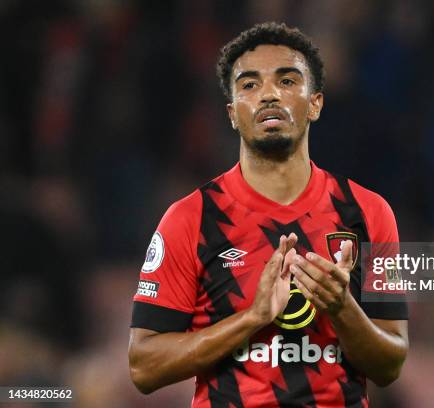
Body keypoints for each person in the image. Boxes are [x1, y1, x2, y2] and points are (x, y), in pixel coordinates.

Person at [128, 22, 408, 407]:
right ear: (232, 113)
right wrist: (253, 317)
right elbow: (144, 367)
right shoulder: (189, 218)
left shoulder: (369, 213)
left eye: (288, 81)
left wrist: (342, 307)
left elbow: (390, 364)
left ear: (316, 103)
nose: (269, 94)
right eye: (249, 85)